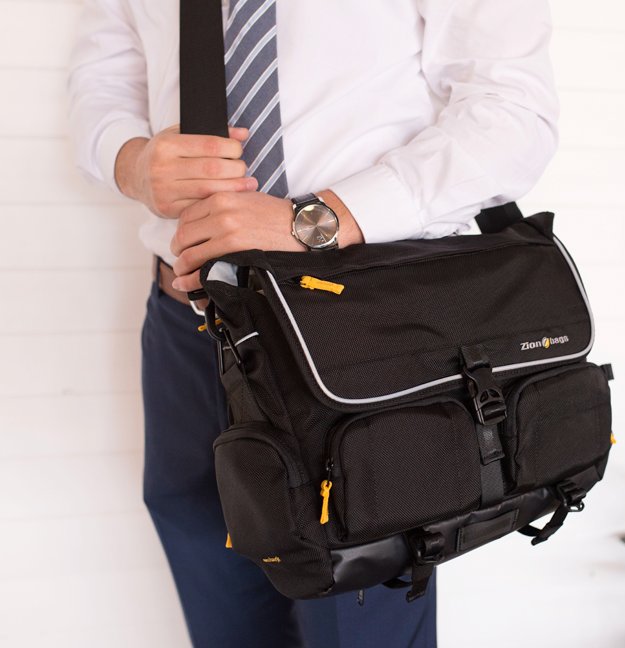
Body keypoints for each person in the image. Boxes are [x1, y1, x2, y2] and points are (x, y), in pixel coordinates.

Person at [67, 0, 559, 645]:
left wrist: (318, 220)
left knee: (361, 595)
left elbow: (513, 111)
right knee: (208, 567)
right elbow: (102, 79)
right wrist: (131, 162)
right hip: (188, 322)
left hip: (353, 327)